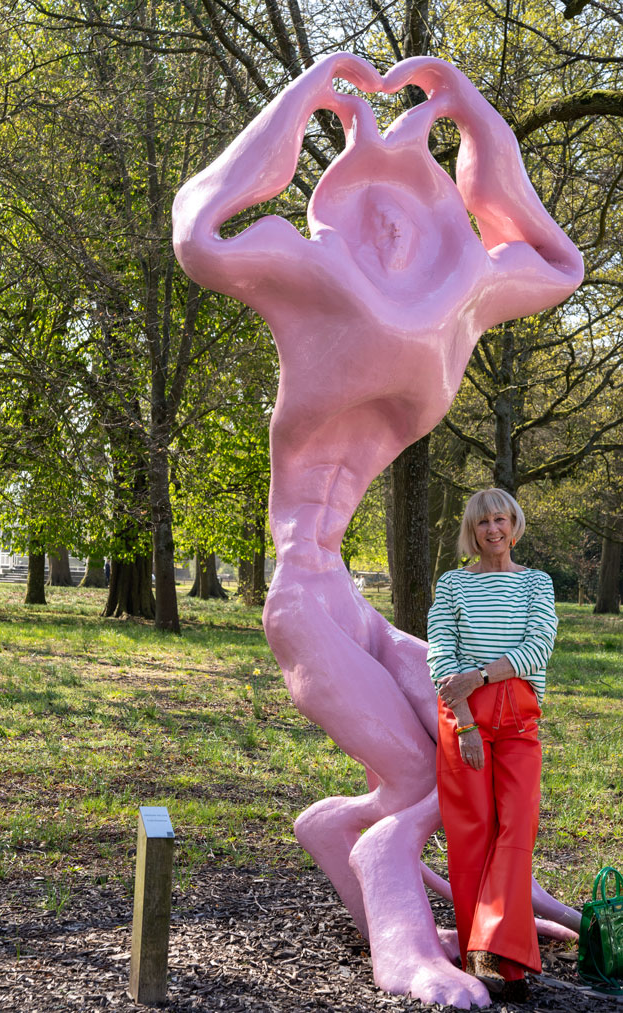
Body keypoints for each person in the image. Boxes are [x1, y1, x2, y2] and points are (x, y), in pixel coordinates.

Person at [173, 53, 582, 1007]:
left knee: (460, 748)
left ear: (440, 203)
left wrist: (476, 116)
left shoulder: (463, 298)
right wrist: (300, 95)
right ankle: (403, 935)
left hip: (343, 596)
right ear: (341, 203)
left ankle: (406, 862)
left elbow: (562, 263)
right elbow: (198, 229)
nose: (387, 220)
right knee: (421, 777)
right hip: (301, 591)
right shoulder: (307, 267)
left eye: (412, 193)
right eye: (369, 196)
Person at [428, 488, 558, 1001]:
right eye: (482, 523)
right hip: (463, 722)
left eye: (500, 520)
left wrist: (478, 675)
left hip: (518, 719)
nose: (493, 531)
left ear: (514, 524)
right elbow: (442, 656)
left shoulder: (536, 583)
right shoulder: (454, 584)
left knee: (517, 830)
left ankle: (505, 953)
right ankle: (479, 955)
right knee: (473, 834)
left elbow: (537, 648)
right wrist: (464, 722)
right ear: (471, 530)